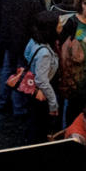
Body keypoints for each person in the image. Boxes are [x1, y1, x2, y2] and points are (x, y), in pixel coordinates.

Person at [0, 0, 46, 115]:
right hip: (25, 41)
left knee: (8, 69)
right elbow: (40, 21)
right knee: (23, 73)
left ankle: (3, 101)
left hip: (7, 37)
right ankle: (19, 107)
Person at [24, 11, 60, 143]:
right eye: (58, 25)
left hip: (33, 91)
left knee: (33, 121)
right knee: (40, 126)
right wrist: (53, 103)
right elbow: (42, 81)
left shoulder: (34, 40)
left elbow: (26, 55)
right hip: (43, 94)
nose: (60, 27)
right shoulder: (45, 53)